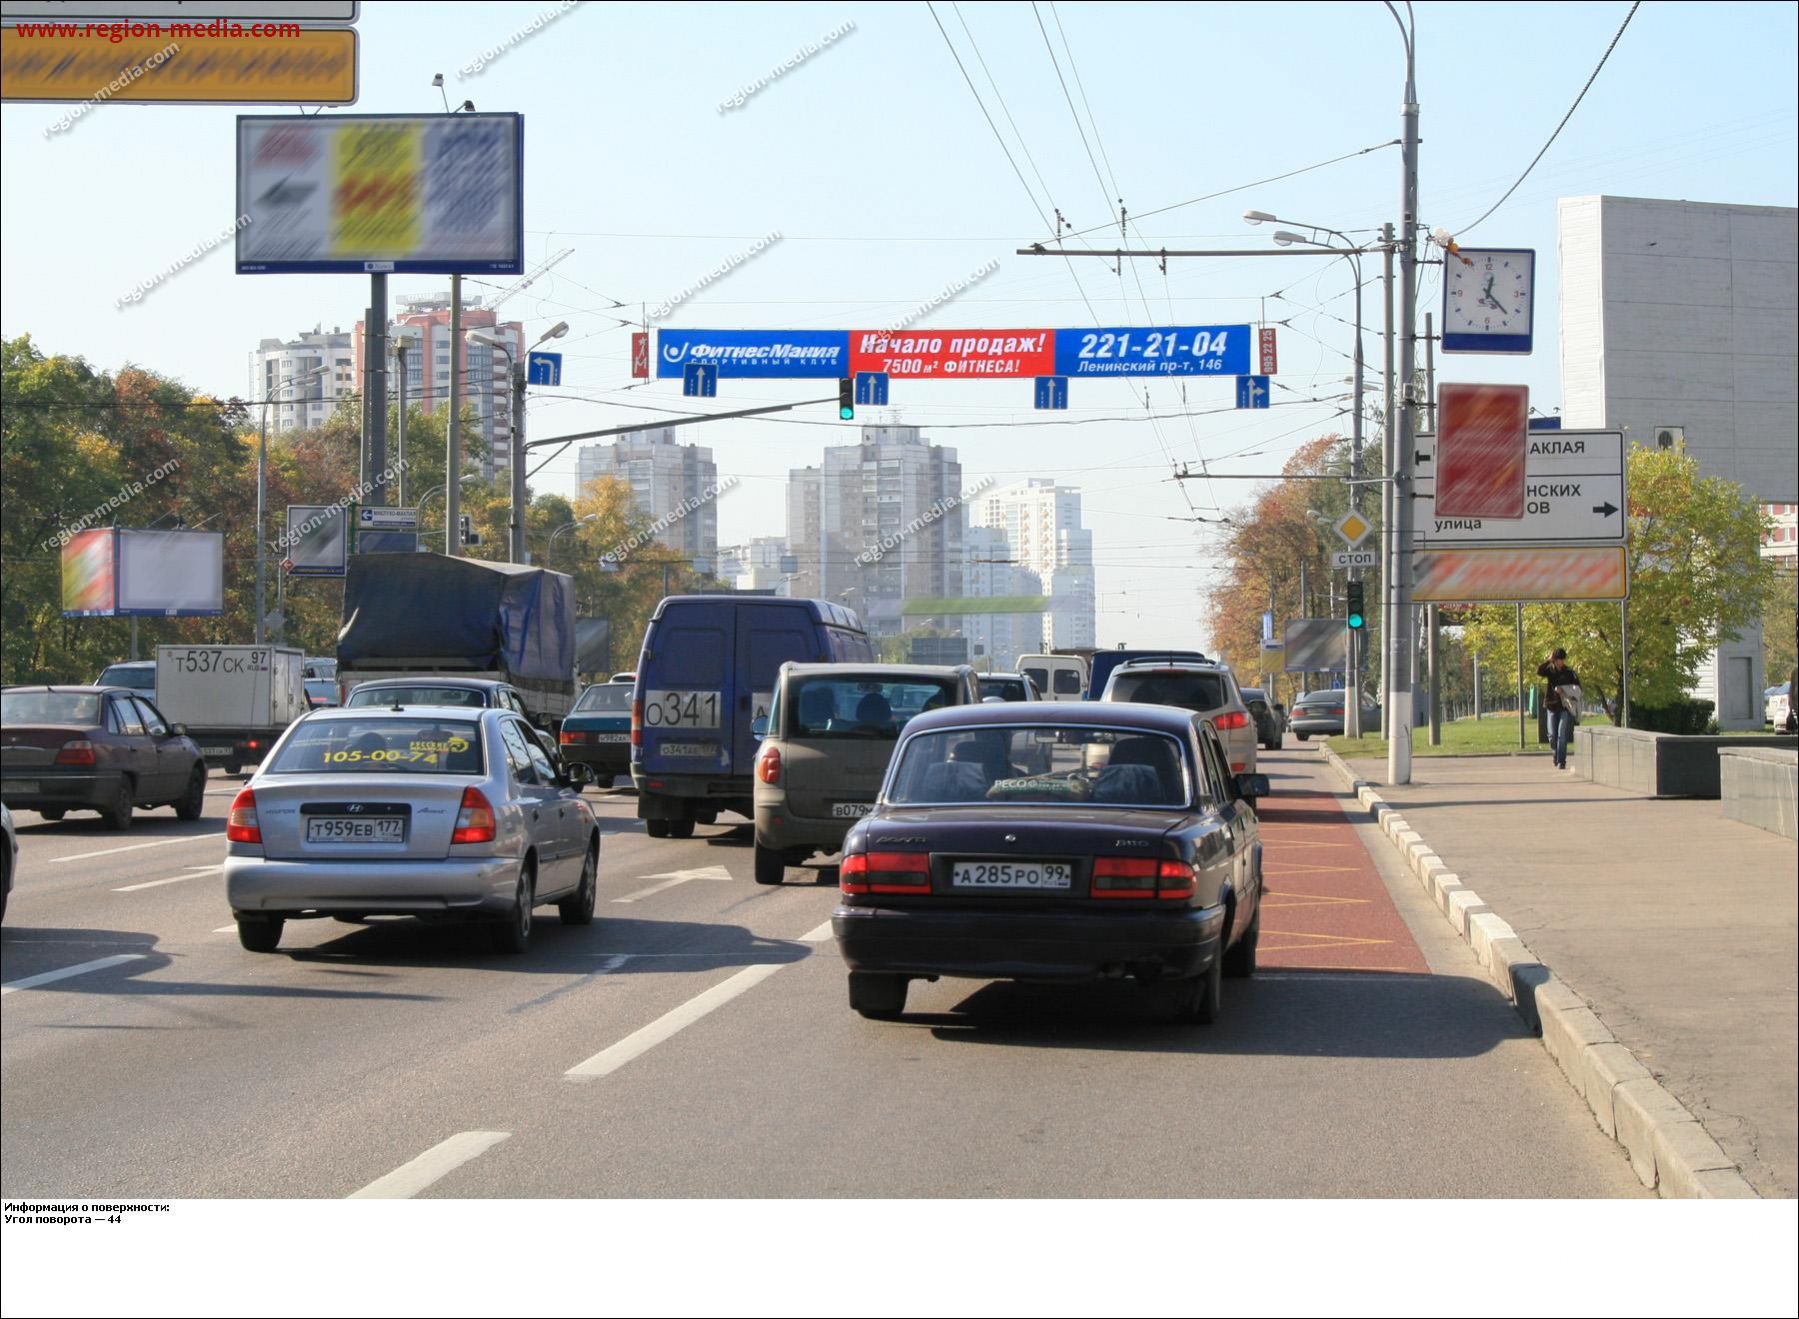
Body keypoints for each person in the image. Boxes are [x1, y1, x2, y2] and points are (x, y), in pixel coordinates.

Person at [1536, 648, 1581, 770]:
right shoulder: (1550, 670)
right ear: (1554, 660)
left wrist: (1566, 691)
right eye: (1557, 660)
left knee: (1562, 734)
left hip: (1564, 706)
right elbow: (1539, 671)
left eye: (1561, 660)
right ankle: (1555, 754)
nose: (1560, 662)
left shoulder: (1568, 672)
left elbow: (1577, 687)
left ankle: (1562, 761)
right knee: (1552, 735)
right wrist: (1548, 660)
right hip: (1551, 705)